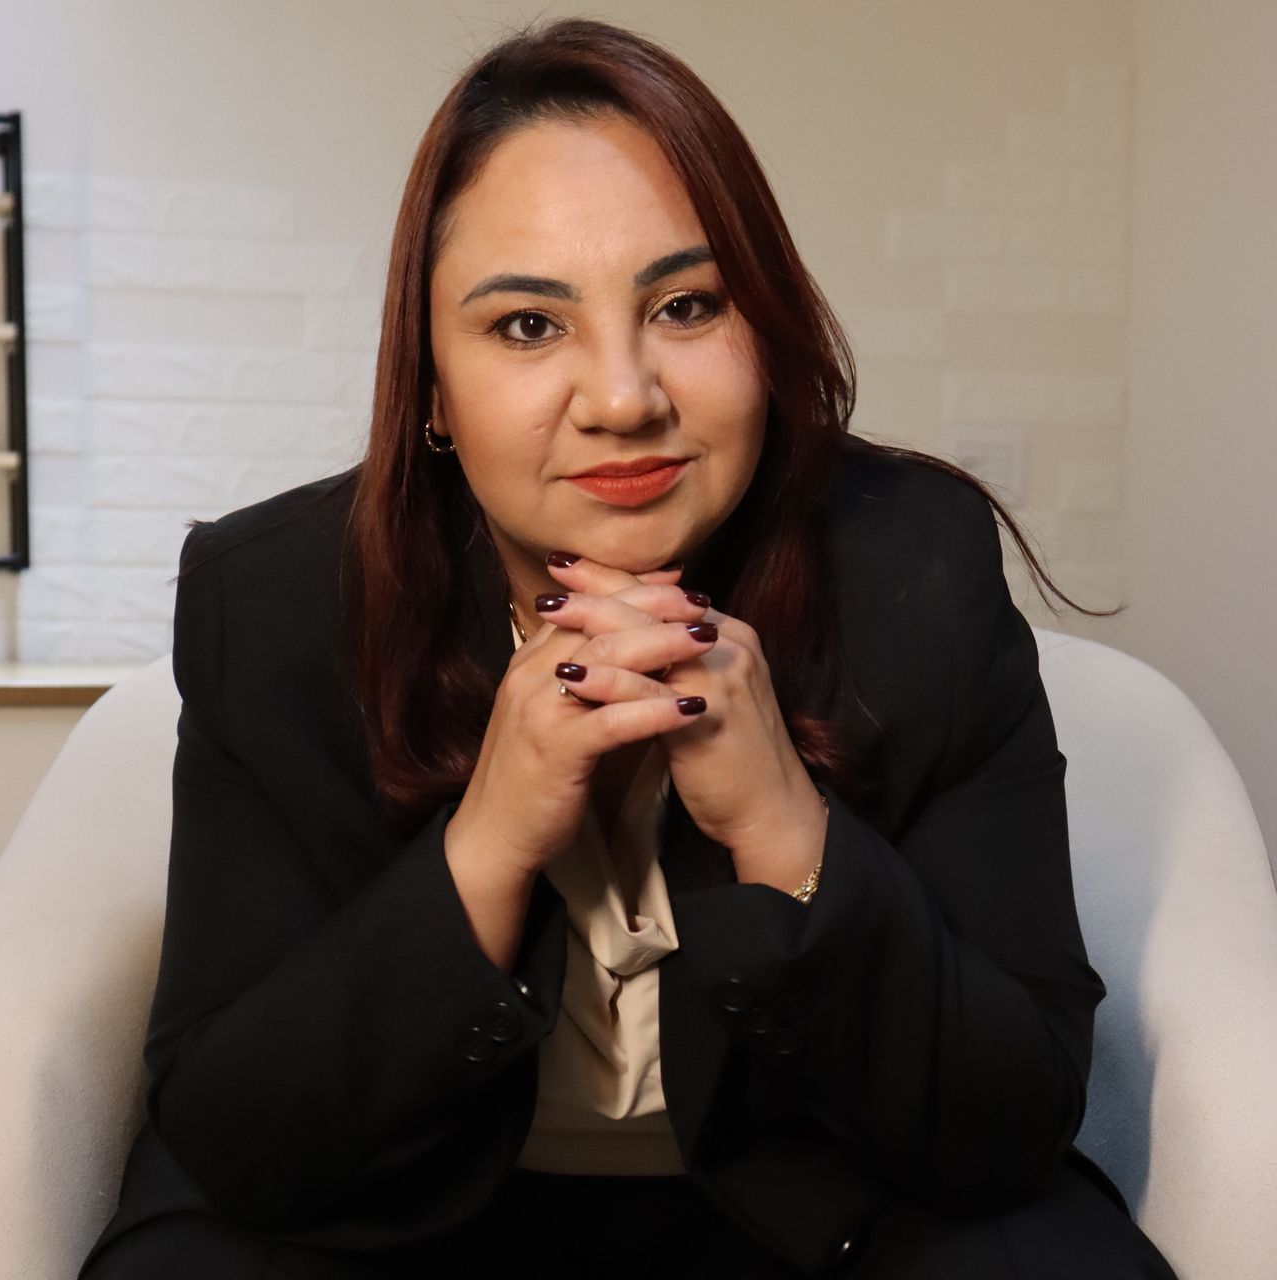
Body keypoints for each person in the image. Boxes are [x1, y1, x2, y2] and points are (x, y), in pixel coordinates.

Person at [78, 16, 1182, 1280]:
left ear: (763, 326)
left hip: (817, 1203)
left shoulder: (912, 570)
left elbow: (1010, 1112)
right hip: (408, 1215)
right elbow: (238, 1130)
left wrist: (782, 825)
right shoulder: (273, 598)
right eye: (525, 326)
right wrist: (489, 841)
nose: (622, 398)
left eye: (685, 305)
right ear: (429, 387)